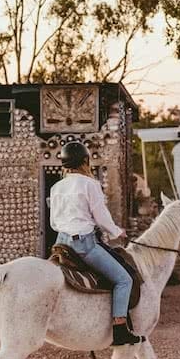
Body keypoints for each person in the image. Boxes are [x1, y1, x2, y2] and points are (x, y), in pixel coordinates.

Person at [50, 141, 140, 346]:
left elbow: (54, 222)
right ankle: (120, 329)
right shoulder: (90, 184)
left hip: (61, 243)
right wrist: (117, 232)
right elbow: (101, 218)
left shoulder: (56, 187)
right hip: (84, 246)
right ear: (85, 161)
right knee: (124, 279)